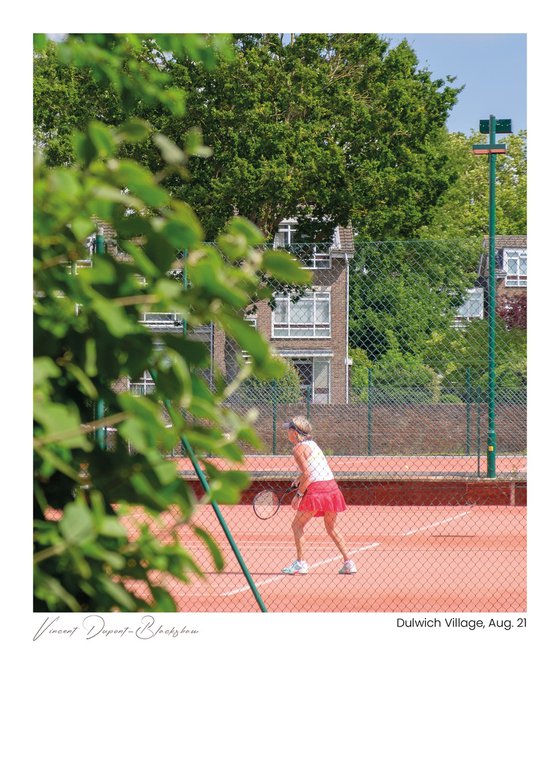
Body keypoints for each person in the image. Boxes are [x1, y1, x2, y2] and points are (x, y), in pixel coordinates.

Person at [281, 416, 357, 575]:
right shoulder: (313, 445)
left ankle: (301, 563)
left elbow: (308, 475)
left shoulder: (297, 449)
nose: (287, 432)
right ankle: (349, 563)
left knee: (297, 525)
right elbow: (311, 470)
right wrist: (299, 478)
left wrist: (298, 495)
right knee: (331, 528)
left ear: (295, 432)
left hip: (317, 490)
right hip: (331, 488)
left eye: (289, 429)